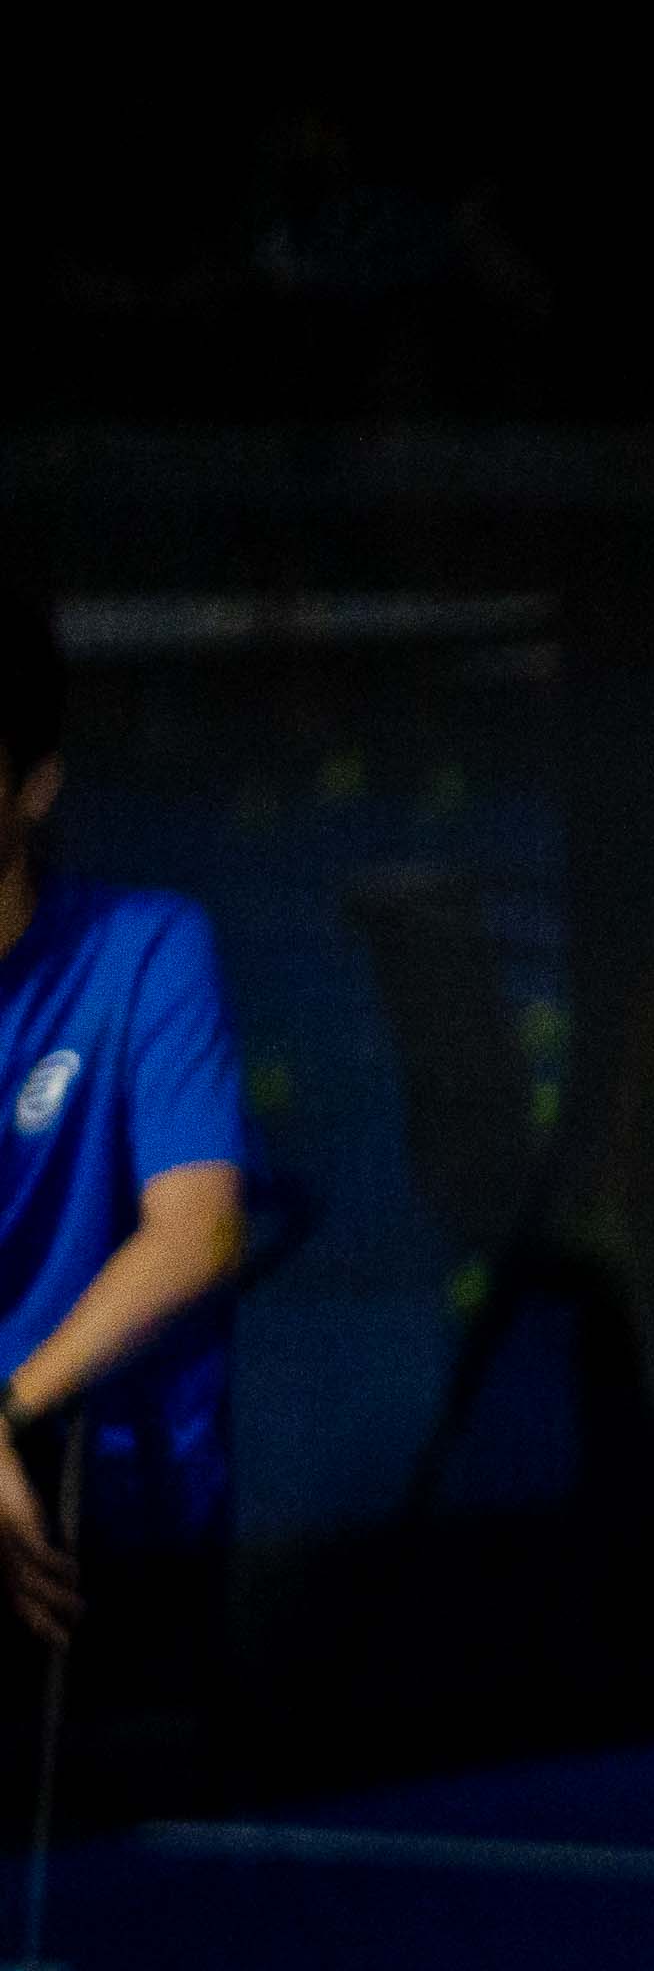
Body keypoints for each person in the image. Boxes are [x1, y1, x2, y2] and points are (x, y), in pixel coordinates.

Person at [0, 583, 253, 1805]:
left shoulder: (149, 949)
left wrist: (5, 1413)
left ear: (35, 785)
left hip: (117, 1531)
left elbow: (197, 1233)